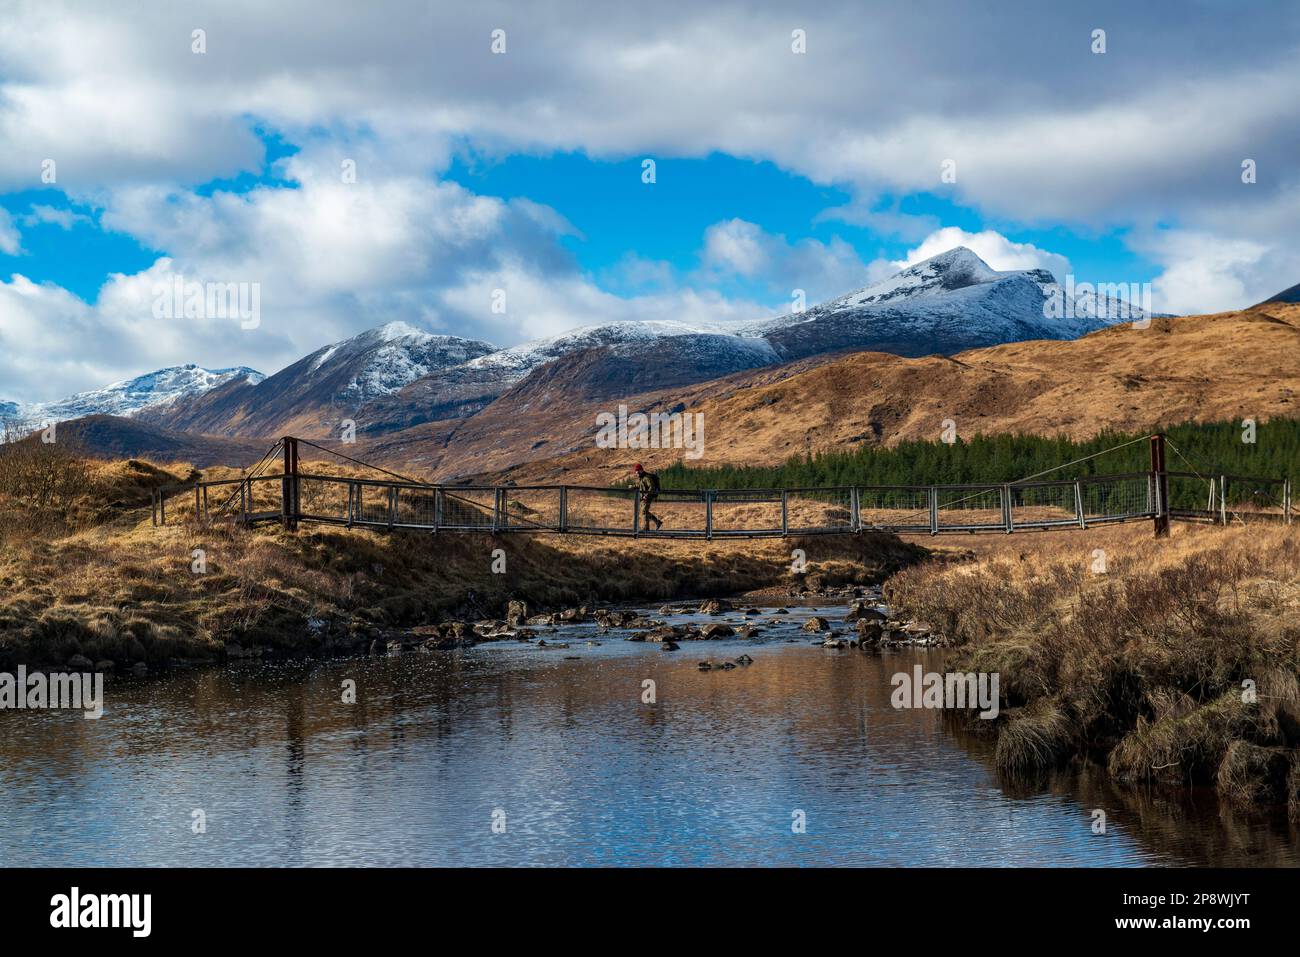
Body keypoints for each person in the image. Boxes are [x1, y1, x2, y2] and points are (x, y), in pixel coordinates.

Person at [633, 463, 662, 531]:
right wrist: (632, 486)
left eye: (637, 472)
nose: (636, 473)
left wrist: (646, 495)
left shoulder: (646, 477)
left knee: (644, 512)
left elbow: (651, 487)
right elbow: (640, 486)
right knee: (644, 512)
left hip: (648, 498)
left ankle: (646, 528)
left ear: (640, 470)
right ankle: (657, 522)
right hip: (644, 498)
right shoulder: (642, 478)